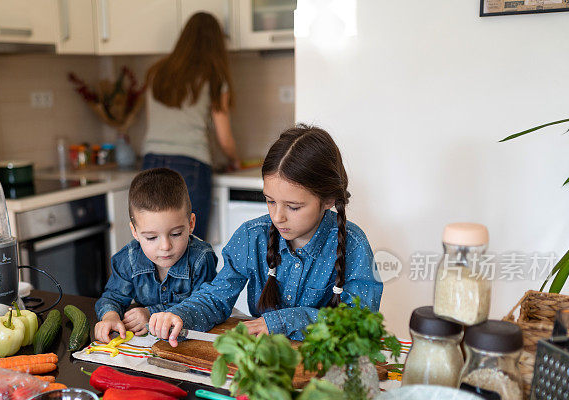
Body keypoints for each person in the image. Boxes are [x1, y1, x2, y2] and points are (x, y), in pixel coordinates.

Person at [149, 125, 383, 345]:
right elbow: (216, 298)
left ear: (329, 200)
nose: (278, 217)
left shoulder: (353, 244)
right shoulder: (252, 237)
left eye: (293, 207)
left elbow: (360, 325)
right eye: (270, 201)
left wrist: (281, 322)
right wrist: (181, 315)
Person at [142, 11, 240, 241]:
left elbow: (151, 122)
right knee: (191, 245)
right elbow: (224, 137)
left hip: (151, 162)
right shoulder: (213, 76)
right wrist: (234, 159)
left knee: (156, 245)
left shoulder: (156, 72)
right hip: (190, 165)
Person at [94, 168, 218, 343]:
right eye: (151, 237)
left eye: (175, 234)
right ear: (135, 232)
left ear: (190, 224)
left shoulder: (201, 259)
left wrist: (151, 313)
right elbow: (112, 297)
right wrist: (110, 317)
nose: (165, 246)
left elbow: (204, 308)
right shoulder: (129, 259)